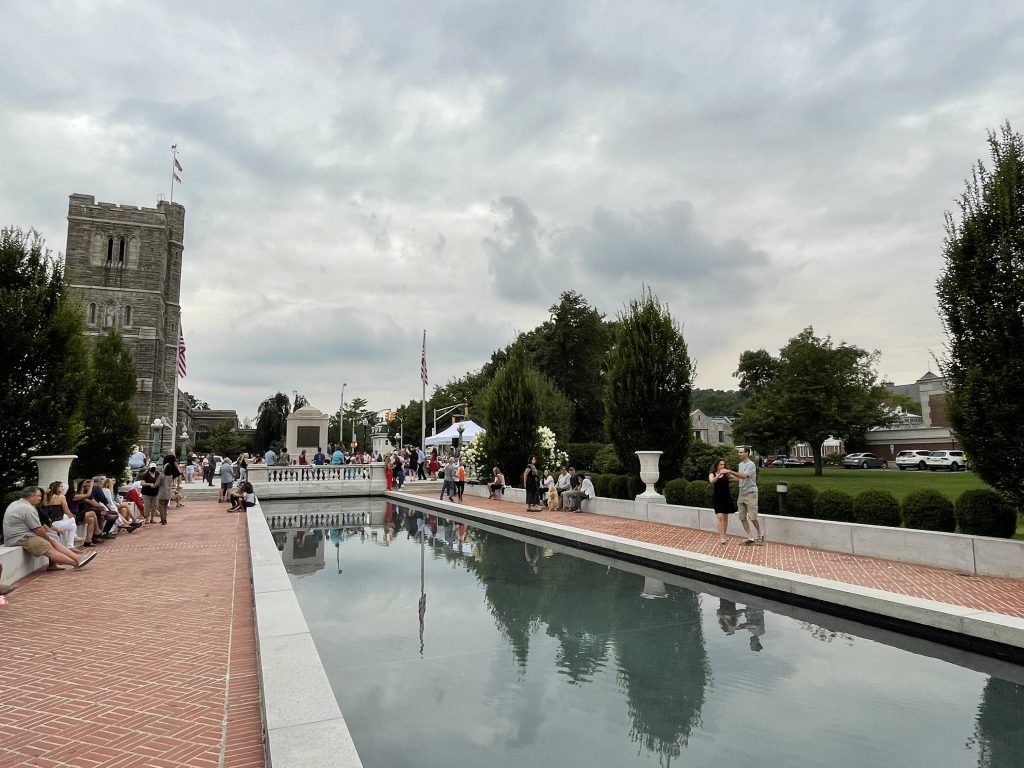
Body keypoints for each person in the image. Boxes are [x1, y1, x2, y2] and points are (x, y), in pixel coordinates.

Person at [3, 487, 95, 570]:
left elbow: (38, 527)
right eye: (38, 496)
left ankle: (77, 558)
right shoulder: (27, 509)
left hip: (23, 535)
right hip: (20, 538)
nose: (40, 498)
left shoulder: (16, 503)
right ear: (31, 496)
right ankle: (75, 563)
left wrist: (49, 537)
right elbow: (38, 530)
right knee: (49, 547)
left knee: (52, 539)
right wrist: (47, 539)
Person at [734, 446, 764, 545]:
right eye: (739, 452)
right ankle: (750, 537)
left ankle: (760, 535)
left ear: (747, 453)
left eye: (741, 452)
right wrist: (727, 476)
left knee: (752, 517)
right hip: (741, 493)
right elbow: (740, 478)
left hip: (751, 493)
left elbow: (743, 476)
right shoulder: (740, 464)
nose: (739, 454)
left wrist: (729, 471)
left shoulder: (751, 465)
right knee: (742, 517)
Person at [41, 482, 80, 551]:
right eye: (61, 486)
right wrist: (72, 515)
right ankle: (74, 538)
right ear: (57, 488)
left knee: (73, 526)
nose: (63, 488)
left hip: (50, 523)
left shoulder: (45, 497)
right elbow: (66, 511)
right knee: (73, 519)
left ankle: (70, 546)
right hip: (57, 524)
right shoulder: (61, 497)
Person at [709, 458, 737, 545]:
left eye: (724, 464)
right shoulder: (712, 474)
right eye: (721, 464)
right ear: (717, 465)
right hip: (717, 498)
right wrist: (718, 475)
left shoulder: (726, 474)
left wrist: (730, 473)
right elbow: (711, 481)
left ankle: (724, 535)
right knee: (720, 516)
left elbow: (736, 479)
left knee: (725, 517)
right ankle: (721, 538)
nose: (722, 466)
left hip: (726, 497)